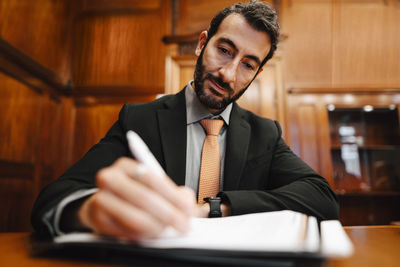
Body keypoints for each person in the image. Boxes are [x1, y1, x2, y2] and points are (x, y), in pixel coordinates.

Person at [31, 0, 339, 240]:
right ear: (201, 43)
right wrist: (88, 212)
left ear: (257, 74)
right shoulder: (139, 119)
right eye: (224, 50)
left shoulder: (265, 134)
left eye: (248, 64)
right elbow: (55, 198)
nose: (228, 74)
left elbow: (321, 198)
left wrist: (215, 209)